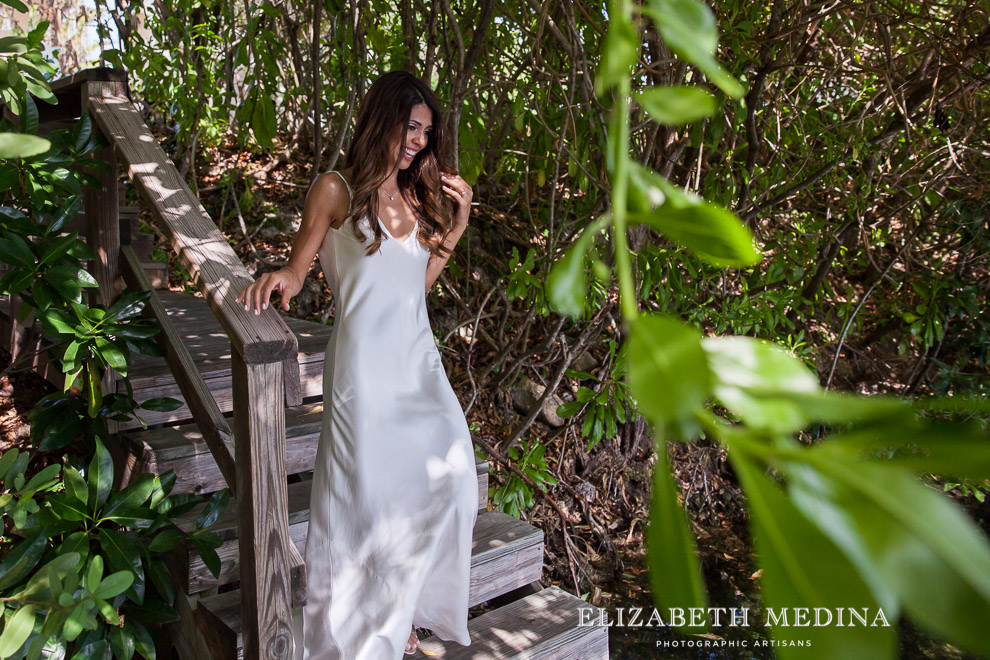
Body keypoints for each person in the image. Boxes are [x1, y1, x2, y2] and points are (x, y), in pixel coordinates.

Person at [235, 70, 476, 659]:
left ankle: (404, 611)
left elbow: (414, 286)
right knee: (367, 502)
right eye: (410, 126)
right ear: (384, 120)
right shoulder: (337, 189)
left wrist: (458, 225)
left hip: (418, 363)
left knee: (457, 483)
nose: (418, 140)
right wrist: (281, 279)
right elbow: (300, 266)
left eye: (426, 130)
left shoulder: (416, 198)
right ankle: (357, 635)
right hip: (365, 369)